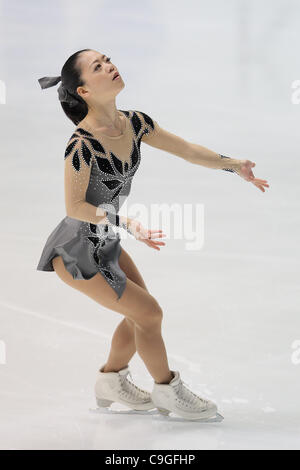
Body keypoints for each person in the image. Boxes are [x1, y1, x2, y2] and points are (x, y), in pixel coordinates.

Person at [36, 49, 269, 421]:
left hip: (104, 239)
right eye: (98, 67)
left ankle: (110, 380)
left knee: (140, 316)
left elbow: (187, 150)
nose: (110, 66)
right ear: (83, 92)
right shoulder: (81, 144)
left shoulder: (136, 123)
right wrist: (126, 222)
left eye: (108, 60)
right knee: (149, 313)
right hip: (76, 250)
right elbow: (75, 207)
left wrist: (233, 165)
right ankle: (168, 390)